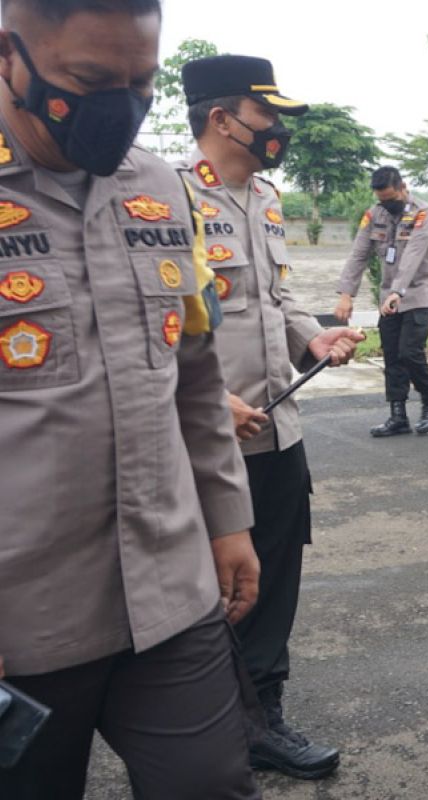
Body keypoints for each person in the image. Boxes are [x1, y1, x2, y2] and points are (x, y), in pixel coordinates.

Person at [0, 1, 264, 797]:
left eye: (140, 82)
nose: (120, 102)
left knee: (212, 785)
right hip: (26, 620)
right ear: (9, 55)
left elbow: (193, 375)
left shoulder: (156, 184)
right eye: (89, 80)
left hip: (169, 590)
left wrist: (228, 520)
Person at [180, 54, 363, 780]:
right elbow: (150, 323)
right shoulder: (167, 200)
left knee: (275, 577)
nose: (278, 129)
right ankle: (211, 729)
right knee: (209, 592)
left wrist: (311, 336)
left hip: (277, 427)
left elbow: (276, 298)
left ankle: (265, 719)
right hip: (208, 437)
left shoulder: (264, 197)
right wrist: (199, 401)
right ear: (223, 118)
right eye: (268, 115)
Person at [335, 166, 428, 437]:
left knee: (409, 351)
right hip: (388, 298)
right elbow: (359, 254)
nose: (387, 204)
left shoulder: (423, 213)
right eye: (382, 199)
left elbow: (413, 255)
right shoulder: (374, 214)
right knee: (392, 354)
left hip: (417, 295)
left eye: (391, 198)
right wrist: (346, 294)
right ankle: (398, 416)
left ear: (403, 187)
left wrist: (398, 291)